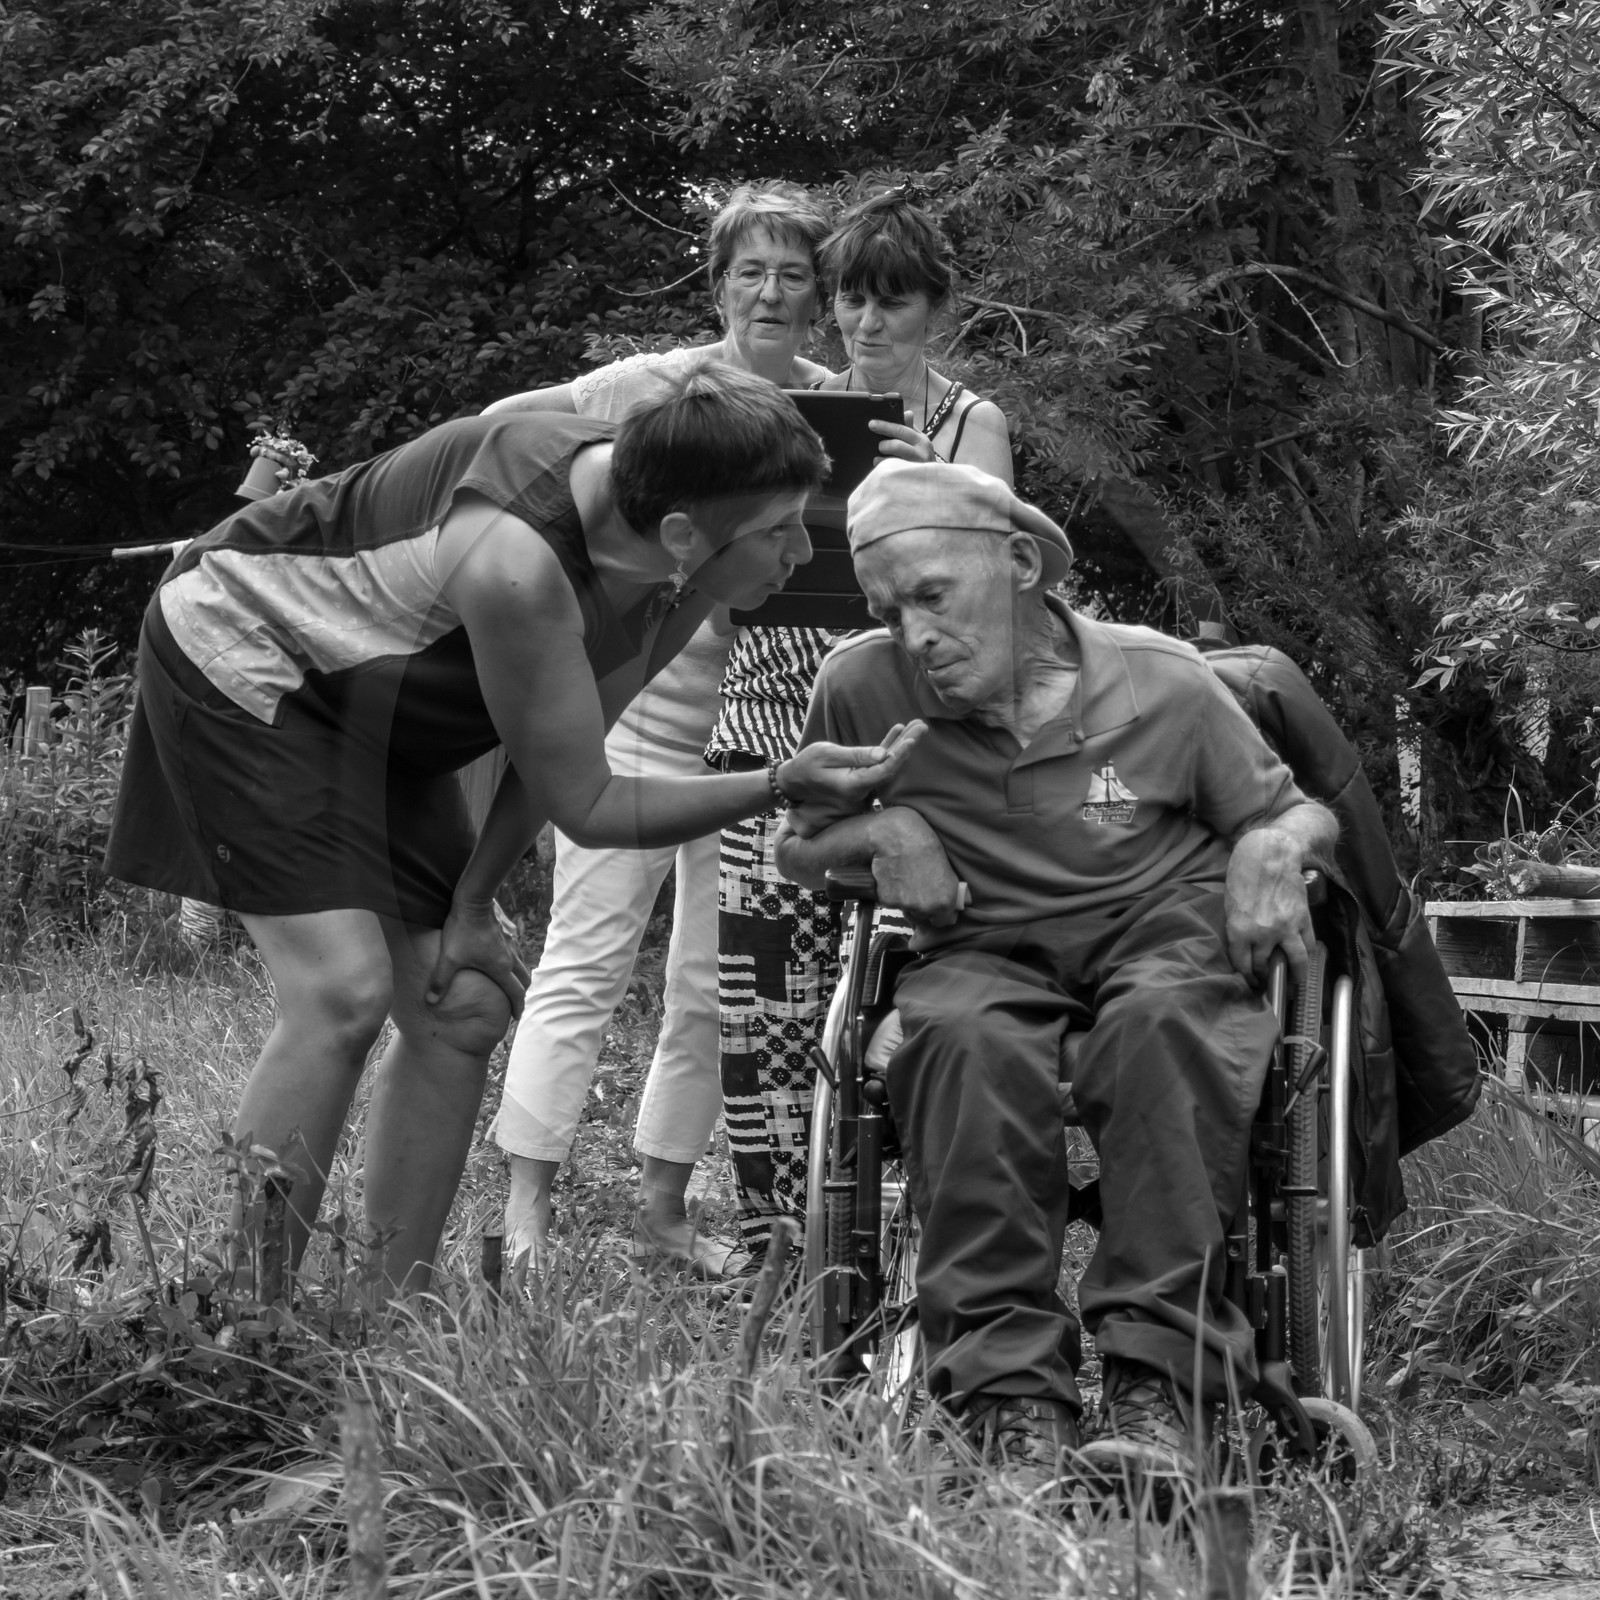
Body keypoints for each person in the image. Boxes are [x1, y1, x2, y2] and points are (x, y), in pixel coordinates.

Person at [103, 364, 925, 1295]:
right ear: (683, 534)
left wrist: (473, 903)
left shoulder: (681, 545)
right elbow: (592, 807)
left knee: (461, 1005)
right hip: (246, 652)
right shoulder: (518, 563)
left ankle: (389, 1314)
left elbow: (564, 752)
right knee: (342, 993)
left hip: (372, 699)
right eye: (780, 531)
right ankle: (244, 1322)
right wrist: (780, 781)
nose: (802, 552)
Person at [775, 459, 1339, 1473]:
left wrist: (1271, 844)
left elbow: (1297, 812)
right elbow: (800, 845)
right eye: (889, 611)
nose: (913, 634)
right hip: (981, 945)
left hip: (1160, 933)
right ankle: (1008, 1399)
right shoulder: (860, 686)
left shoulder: (1165, 681)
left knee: (1164, 1027)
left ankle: (1160, 1388)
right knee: (961, 1043)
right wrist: (886, 830)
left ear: (1022, 566)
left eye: (932, 596)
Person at [483, 181, 835, 1275]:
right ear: (717, 284)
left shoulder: (842, 410)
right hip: (633, 705)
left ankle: (664, 1204)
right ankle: (524, 1207)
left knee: (709, 980)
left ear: (817, 297)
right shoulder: (654, 385)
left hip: (767, 718)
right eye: (749, 272)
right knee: (588, 948)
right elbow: (505, 430)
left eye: (791, 275)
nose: (769, 293)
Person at [711, 190, 1015, 1262]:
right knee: (765, 999)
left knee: (910, 984)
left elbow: (993, 590)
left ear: (936, 309)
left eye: (892, 303)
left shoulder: (971, 423)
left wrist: (926, 483)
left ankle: (915, 1234)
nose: (866, 323)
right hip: (775, 710)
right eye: (850, 300)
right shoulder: (791, 410)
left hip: (910, 729)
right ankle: (779, 1242)